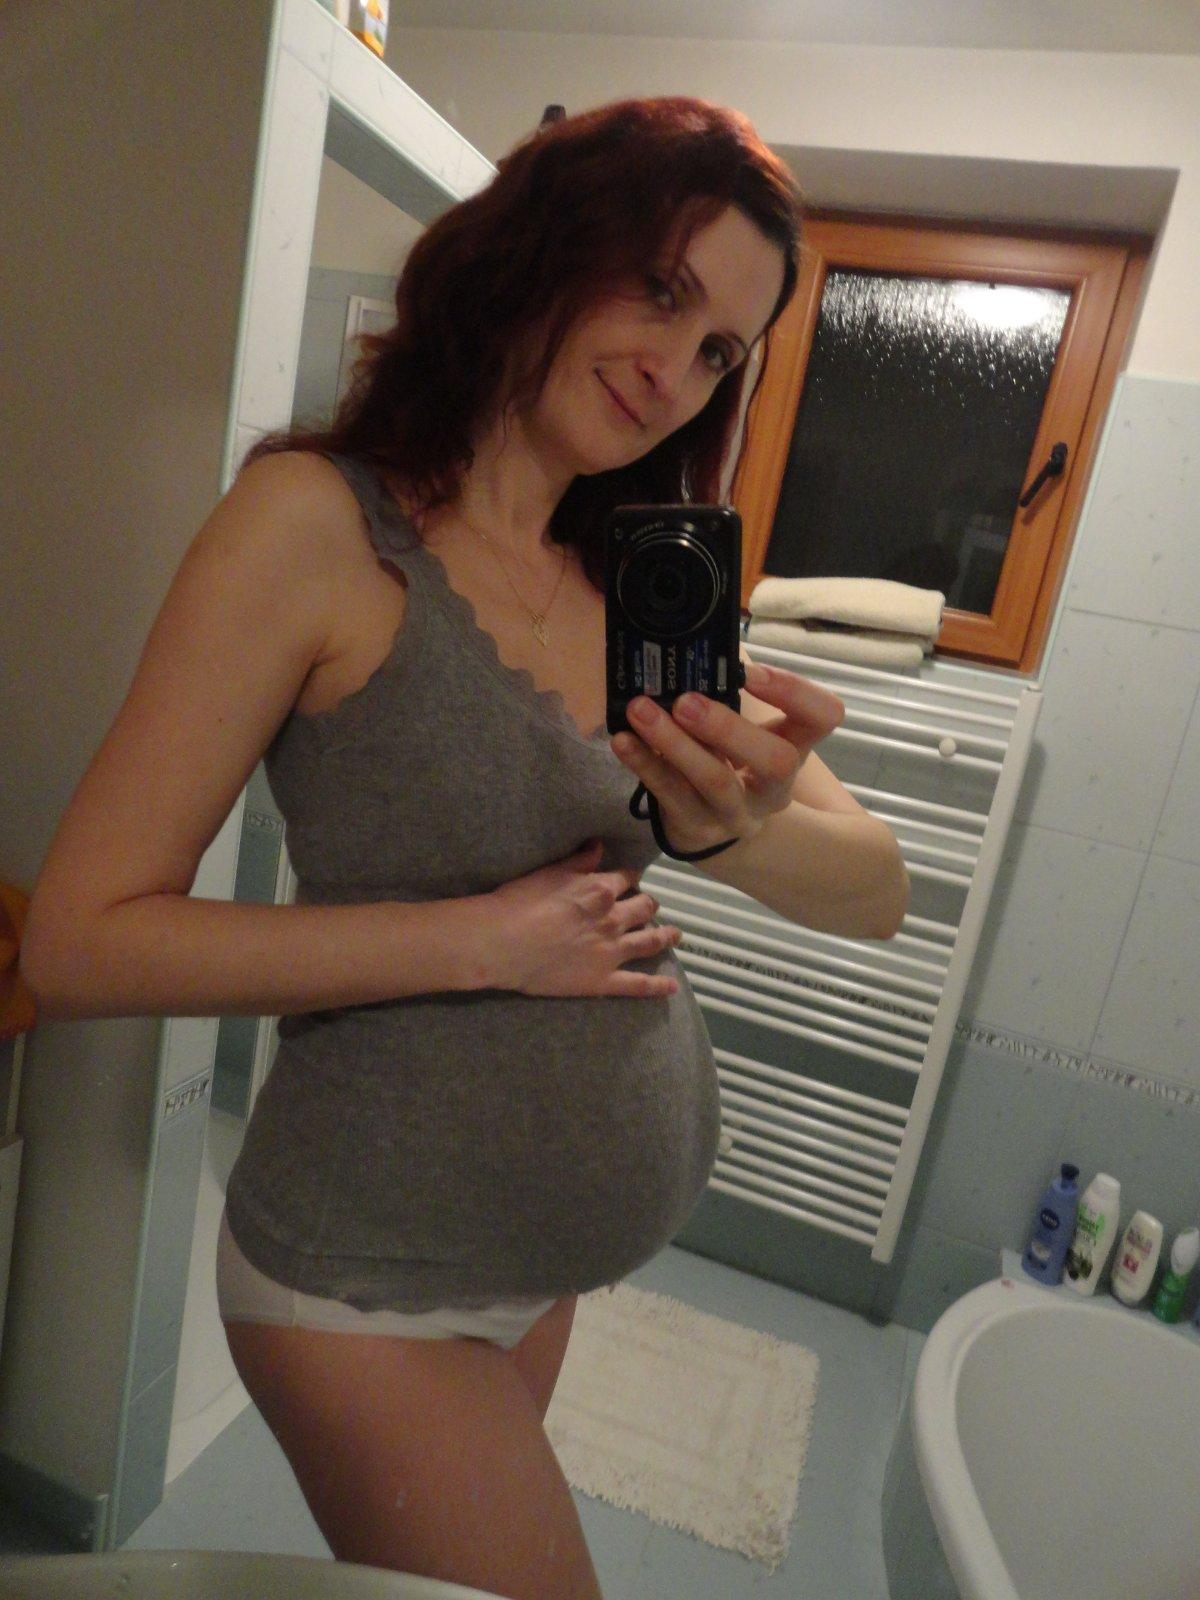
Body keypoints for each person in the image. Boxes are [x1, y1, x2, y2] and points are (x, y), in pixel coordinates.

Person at [22, 96, 908, 1600]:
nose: (675, 367)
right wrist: (482, 943)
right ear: (541, 245)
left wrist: (735, 829)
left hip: (542, 1263)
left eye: (719, 351)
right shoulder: (316, 527)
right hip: (371, 1271)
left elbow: (877, 890)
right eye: (660, 288)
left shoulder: (646, 574)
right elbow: (78, 939)